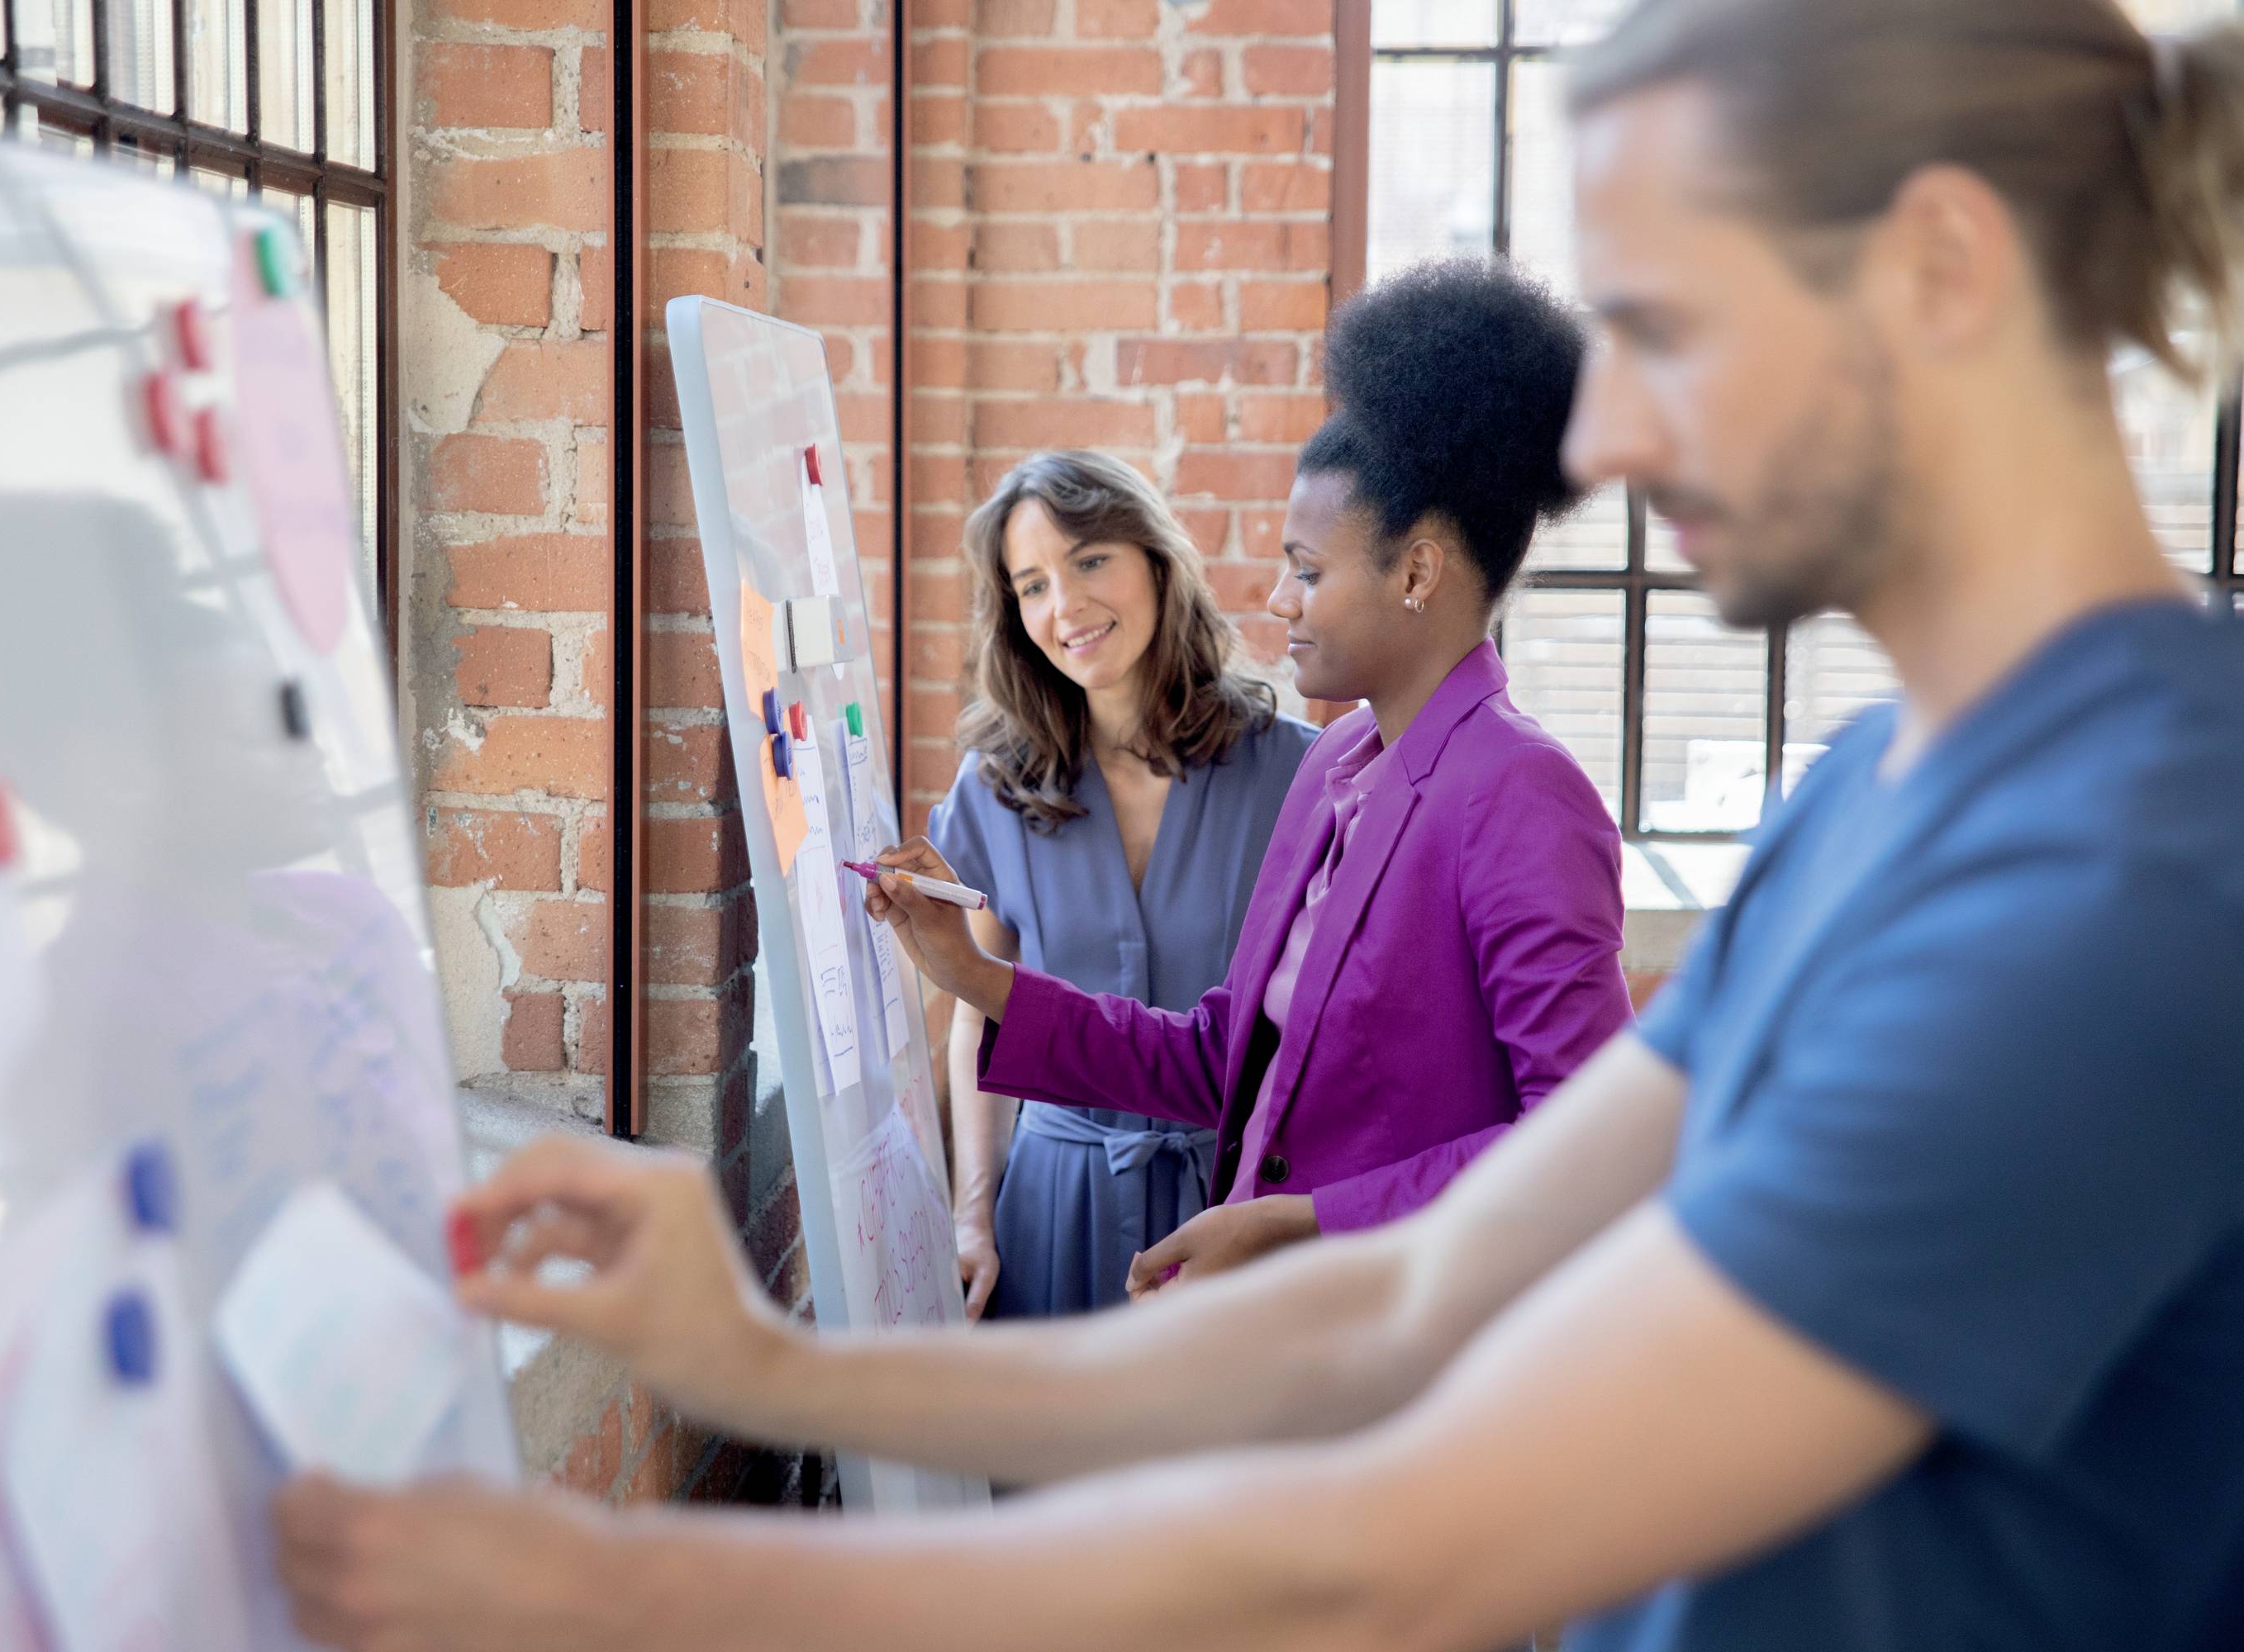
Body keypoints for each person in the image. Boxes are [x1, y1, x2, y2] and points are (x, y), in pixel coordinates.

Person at [273, 2, 2244, 1648]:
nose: (1601, 439)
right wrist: (767, 1363)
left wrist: (616, 1583)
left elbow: (1394, 1534)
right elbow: (1398, 1292)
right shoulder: (1867, 797)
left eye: (1664, 325)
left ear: (1939, 267)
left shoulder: (2121, 876)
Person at [971, 260, 1633, 1291]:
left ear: (1416, 573)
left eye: (1309, 569)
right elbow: (1219, 1053)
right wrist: (975, 978)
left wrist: (1310, 1224)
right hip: (1274, 1333)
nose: (1278, 597)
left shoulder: (1522, 794)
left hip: (1399, 1349)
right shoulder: (1333, 765)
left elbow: (1587, 1151)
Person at [932, 451, 1318, 1320]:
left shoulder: (1294, 771)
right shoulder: (996, 786)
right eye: (1031, 584)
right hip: (1048, 1211)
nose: (1064, 607)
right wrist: (973, 1216)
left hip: (1230, 1214)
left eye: (1090, 559)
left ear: (1156, 560)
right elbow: (977, 1010)